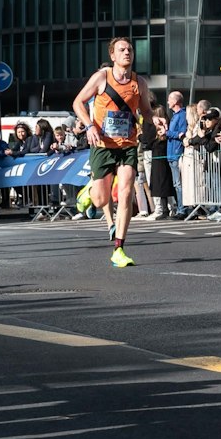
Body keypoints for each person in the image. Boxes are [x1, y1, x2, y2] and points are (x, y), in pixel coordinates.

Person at [72, 37, 156, 268]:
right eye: (122, 50)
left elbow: (145, 111)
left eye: (129, 49)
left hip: (127, 143)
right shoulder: (102, 77)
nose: (127, 53)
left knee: (127, 191)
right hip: (102, 144)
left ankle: (119, 248)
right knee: (101, 199)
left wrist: (154, 119)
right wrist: (89, 125)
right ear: (113, 55)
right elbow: (78, 102)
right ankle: (89, 191)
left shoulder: (139, 82)